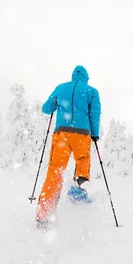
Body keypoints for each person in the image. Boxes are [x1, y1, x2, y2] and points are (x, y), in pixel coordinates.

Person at [36, 65, 101, 229]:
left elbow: (46, 108)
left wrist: (57, 103)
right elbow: (95, 113)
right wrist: (95, 134)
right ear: (86, 77)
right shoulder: (91, 91)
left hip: (62, 134)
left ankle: (44, 213)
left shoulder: (61, 88)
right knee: (83, 160)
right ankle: (78, 190)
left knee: (55, 170)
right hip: (82, 134)